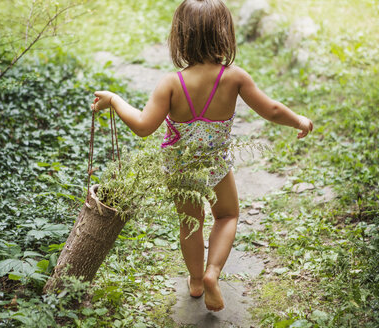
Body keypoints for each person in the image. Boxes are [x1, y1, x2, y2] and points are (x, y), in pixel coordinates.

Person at [91, 0, 313, 312]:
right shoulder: (235, 77)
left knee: (190, 223)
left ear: (181, 37)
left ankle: (196, 281)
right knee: (227, 216)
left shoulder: (171, 83)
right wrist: (299, 120)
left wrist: (114, 99)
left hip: (179, 169)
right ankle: (213, 274)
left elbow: (143, 126)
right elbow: (271, 109)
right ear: (225, 35)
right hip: (217, 165)